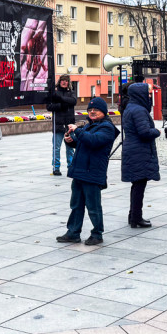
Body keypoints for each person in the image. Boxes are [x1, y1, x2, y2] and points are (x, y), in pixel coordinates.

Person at [56, 97, 120, 246]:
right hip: (80, 171)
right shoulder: (89, 126)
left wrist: (77, 131)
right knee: (76, 205)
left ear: (103, 112)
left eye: (95, 110)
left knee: (93, 206)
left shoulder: (107, 128)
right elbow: (83, 143)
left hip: (93, 172)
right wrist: (71, 141)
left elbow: (94, 141)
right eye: (90, 110)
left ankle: (97, 234)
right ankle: (73, 232)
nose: (92, 112)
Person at [121, 83, 160, 229]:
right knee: (139, 185)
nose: (149, 96)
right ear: (140, 94)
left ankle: (133, 215)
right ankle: (136, 218)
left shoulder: (130, 107)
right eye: (147, 94)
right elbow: (144, 132)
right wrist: (156, 132)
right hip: (139, 150)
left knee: (136, 184)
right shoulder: (139, 110)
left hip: (133, 149)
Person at [47, 74, 78, 175]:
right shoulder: (54, 93)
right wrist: (61, 105)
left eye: (66, 80)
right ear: (59, 82)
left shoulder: (71, 93)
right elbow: (49, 106)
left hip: (69, 125)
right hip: (58, 125)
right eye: (62, 80)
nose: (64, 82)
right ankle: (56, 167)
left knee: (70, 147)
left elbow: (73, 101)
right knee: (56, 148)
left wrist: (60, 99)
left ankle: (71, 166)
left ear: (69, 82)